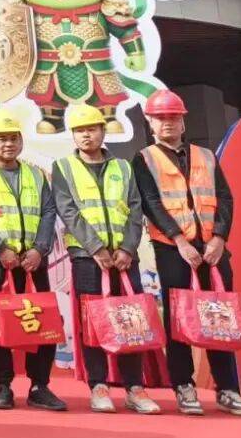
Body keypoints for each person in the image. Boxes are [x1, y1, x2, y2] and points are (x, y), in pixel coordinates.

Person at [132, 89, 241, 416]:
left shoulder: (205, 156)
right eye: (160, 118)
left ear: (183, 122)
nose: (167, 123)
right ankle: (184, 385)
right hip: (173, 251)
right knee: (178, 319)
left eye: (173, 117)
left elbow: (225, 198)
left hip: (212, 250)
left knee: (220, 318)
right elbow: (151, 203)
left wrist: (219, 238)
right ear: (150, 123)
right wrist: (179, 240)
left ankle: (228, 389)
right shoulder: (144, 158)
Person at [51, 105, 160, 415]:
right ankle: (98, 386)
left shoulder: (123, 167)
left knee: (131, 320)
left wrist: (127, 248)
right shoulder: (63, 167)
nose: (86, 135)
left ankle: (134, 388)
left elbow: (135, 208)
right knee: (92, 323)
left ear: (103, 130)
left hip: (125, 258)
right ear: (73, 135)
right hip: (88, 257)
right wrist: (96, 248)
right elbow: (68, 211)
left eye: (92, 129)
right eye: (80, 130)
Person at [0, 109, 65, 412]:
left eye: (13, 138)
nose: (8, 144)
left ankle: (39, 386)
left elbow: (48, 212)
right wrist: (0, 250)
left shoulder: (36, 174)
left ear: (21, 141)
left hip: (34, 264)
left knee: (44, 322)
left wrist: (39, 249)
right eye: (1, 139)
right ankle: (3, 385)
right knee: (0, 326)